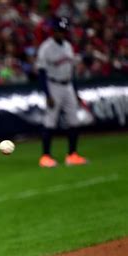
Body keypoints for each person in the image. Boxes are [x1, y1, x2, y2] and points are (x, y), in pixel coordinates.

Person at [36, 17, 88, 168]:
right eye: (59, 31)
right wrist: (47, 94)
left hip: (68, 86)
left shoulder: (68, 46)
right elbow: (41, 73)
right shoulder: (45, 48)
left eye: (63, 31)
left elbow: (71, 71)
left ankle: (72, 155)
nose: (62, 33)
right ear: (53, 31)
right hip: (53, 85)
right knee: (50, 122)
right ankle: (45, 157)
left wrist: (76, 92)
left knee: (74, 121)